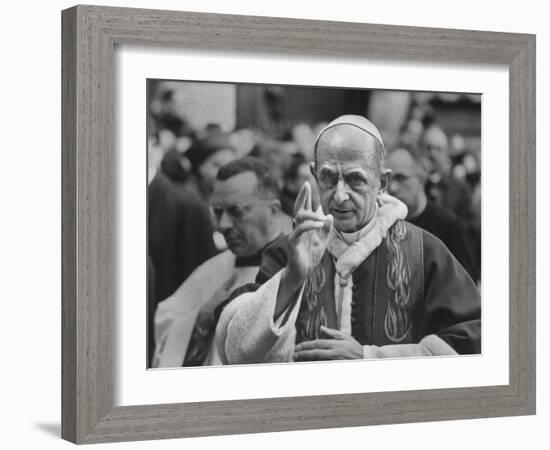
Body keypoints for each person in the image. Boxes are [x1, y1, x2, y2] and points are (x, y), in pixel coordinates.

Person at [215, 115, 481, 365]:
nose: (340, 195)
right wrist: (290, 279)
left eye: (356, 180)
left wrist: (370, 358)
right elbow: (236, 352)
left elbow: (474, 341)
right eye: (329, 178)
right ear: (314, 173)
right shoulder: (289, 251)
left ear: (383, 182)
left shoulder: (424, 251)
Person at [152, 157, 288, 367]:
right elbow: (165, 324)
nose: (223, 225)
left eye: (237, 211)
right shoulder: (210, 271)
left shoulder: (303, 266)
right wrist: (201, 318)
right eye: (217, 211)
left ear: (273, 210)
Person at [386, 147, 479, 283]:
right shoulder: (386, 226)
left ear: (421, 177)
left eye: (401, 178)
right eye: (388, 180)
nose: (393, 187)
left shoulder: (449, 226)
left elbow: (467, 283)